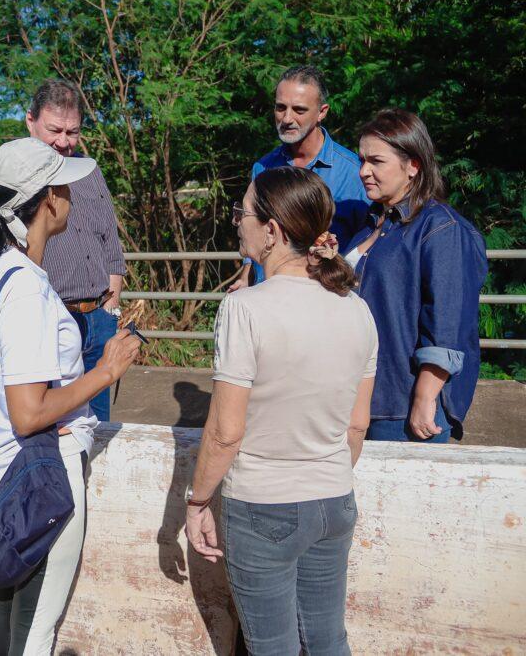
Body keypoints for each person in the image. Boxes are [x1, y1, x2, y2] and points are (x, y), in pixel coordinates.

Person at [0, 137, 140, 654]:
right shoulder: (27, 288)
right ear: (49, 200)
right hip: (40, 474)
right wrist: (106, 371)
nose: (71, 194)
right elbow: (29, 411)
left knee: (9, 608)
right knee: (37, 630)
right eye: (63, 185)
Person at [186, 167, 378, 655]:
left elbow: (226, 432)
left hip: (264, 504)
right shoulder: (356, 308)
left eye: (242, 213)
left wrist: (197, 502)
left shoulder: (244, 308)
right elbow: (357, 424)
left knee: (272, 647)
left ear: (271, 230)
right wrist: (320, 474)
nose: (237, 222)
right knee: (328, 639)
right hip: (334, 499)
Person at [0, 79, 127, 422]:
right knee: (55, 426)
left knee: (95, 426)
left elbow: (110, 243)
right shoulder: (2, 175)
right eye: (55, 130)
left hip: (99, 318)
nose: (64, 142)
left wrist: (110, 307)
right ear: (30, 121)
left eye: (73, 132)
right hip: (45, 322)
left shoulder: (88, 170)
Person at [347, 109, 487, 443]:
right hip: (357, 397)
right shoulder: (371, 224)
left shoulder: (440, 228)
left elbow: (448, 319)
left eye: (376, 161)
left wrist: (425, 396)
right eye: (361, 160)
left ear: (413, 166)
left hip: (402, 402)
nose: (364, 171)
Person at [231, 65, 368, 291]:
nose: (287, 118)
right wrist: (247, 277)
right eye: (280, 107)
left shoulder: (355, 173)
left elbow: (366, 244)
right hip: (268, 300)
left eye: (299, 110)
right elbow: (254, 228)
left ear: (322, 112)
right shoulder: (263, 167)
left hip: (325, 304)